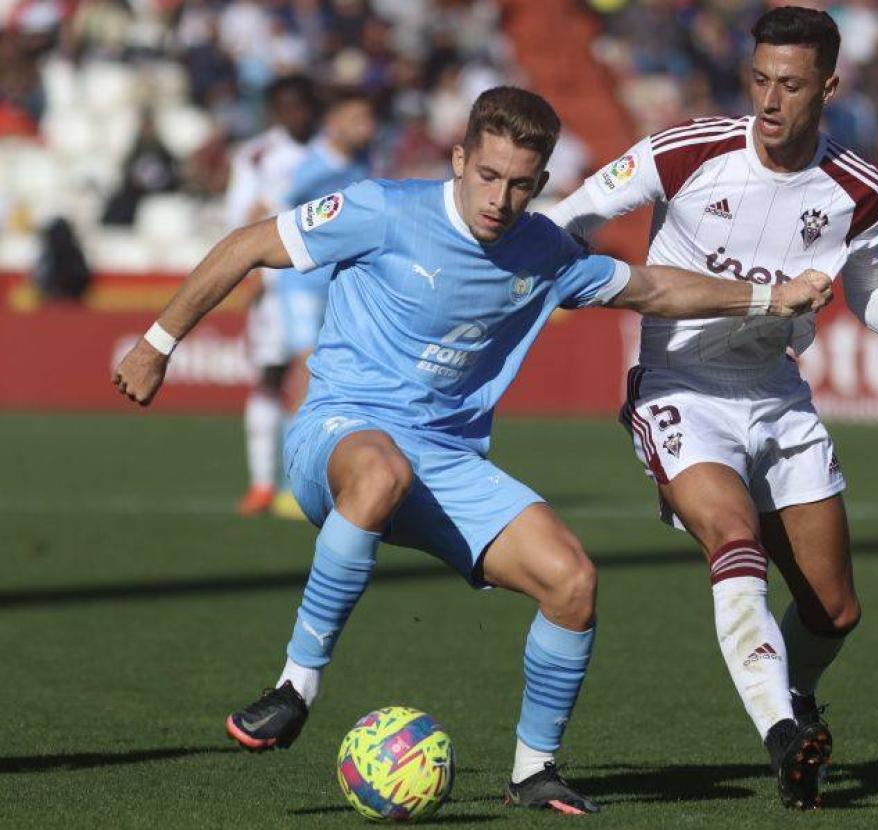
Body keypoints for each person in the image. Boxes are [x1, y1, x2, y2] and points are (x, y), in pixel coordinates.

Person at [111, 86, 834, 814]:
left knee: (572, 582)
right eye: (487, 176)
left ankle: (533, 769)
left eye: (521, 184)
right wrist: (157, 343)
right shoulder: (382, 210)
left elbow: (650, 288)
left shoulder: (545, 251)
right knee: (381, 471)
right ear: (458, 159)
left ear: (542, 184)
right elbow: (246, 245)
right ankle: (295, 686)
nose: (500, 198)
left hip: (446, 461)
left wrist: (770, 300)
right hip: (339, 431)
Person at [546, 6, 878, 810]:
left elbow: (869, 286)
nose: (770, 100)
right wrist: (533, 269)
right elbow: (570, 214)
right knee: (733, 535)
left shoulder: (857, 188)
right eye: (759, 81)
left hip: (776, 398)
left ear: (829, 85)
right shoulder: (689, 152)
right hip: (679, 389)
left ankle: (799, 698)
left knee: (835, 610)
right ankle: (784, 736)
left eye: (789, 84)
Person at [269, 90, 378, 519]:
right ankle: (287, 482)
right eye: (357, 118)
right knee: (302, 370)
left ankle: (330, 473)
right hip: (300, 283)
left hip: (338, 284)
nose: (366, 127)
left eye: (369, 118)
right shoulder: (309, 167)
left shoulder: (358, 163)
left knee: (337, 376)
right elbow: (270, 211)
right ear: (333, 122)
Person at [226, 74, 318, 517]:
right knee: (269, 375)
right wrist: (249, 273)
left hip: (322, 282)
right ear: (275, 111)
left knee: (313, 381)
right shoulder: (257, 154)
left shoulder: (331, 153)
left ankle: (298, 484)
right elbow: (241, 219)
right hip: (275, 282)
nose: (296, 114)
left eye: (302, 105)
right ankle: (263, 483)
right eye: (287, 106)